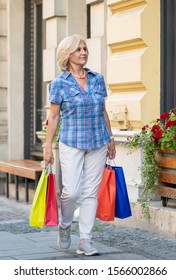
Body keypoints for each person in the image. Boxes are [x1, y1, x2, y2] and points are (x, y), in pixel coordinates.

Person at [44, 34, 115, 256]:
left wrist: (111, 138)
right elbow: (54, 117)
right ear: (68, 55)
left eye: (84, 48)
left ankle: (85, 239)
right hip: (71, 142)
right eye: (78, 50)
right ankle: (65, 225)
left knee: (90, 193)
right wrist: (48, 146)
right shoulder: (59, 83)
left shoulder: (97, 79)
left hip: (97, 141)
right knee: (71, 192)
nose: (83, 52)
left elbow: (102, 110)